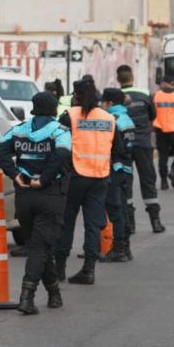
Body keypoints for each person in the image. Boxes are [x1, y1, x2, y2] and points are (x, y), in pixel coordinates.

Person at [0, 92, 71, 315]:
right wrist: (44, 180)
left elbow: (0, 149)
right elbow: (61, 157)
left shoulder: (20, 129)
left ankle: (54, 293)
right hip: (50, 196)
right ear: (55, 109)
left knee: (39, 245)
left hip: (24, 196)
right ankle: (26, 297)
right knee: (40, 246)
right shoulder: (60, 131)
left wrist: (14, 174)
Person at [54, 78, 118, 285]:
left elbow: (59, 147)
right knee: (93, 225)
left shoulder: (69, 116)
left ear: (76, 96)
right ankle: (89, 270)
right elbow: (118, 149)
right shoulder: (109, 118)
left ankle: (60, 269)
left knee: (66, 223)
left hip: (75, 176)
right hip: (100, 177)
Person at [117, 65, 165, 233]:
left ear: (118, 79)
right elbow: (153, 115)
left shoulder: (116, 96)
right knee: (148, 180)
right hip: (143, 143)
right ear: (132, 77)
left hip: (123, 146)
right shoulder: (145, 94)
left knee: (125, 182)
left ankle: (130, 224)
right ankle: (155, 221)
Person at [101, 88, 136, 263]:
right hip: (126, 170)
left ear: (110, 103)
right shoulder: (127, 118)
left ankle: (119, 249)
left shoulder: (112, 120)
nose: (101, 105)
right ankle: (126, 247)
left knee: (115, 209)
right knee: (122, 207)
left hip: (114, 169)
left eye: (103, 102)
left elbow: (111, 147)